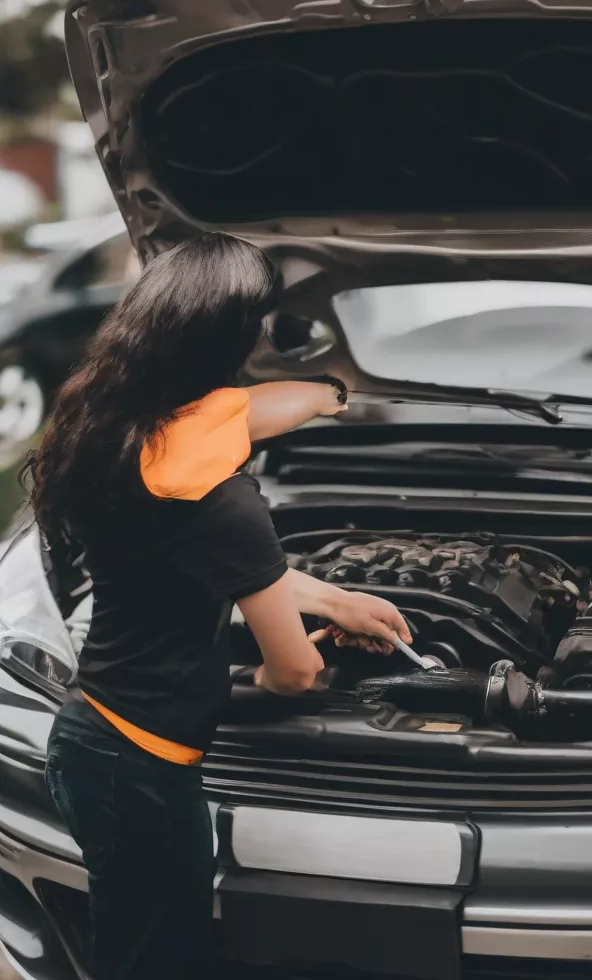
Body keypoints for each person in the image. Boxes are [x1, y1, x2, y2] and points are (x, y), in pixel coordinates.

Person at [26, 232, 413, 980]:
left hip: (90, 741)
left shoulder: (113, 431)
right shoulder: (224, 500)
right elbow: (296, 674)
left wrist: (335, 597)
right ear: (234, 344)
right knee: (155, 961)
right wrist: (256, 680)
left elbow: (251, 432)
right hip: (145, 771)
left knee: (130, 941)